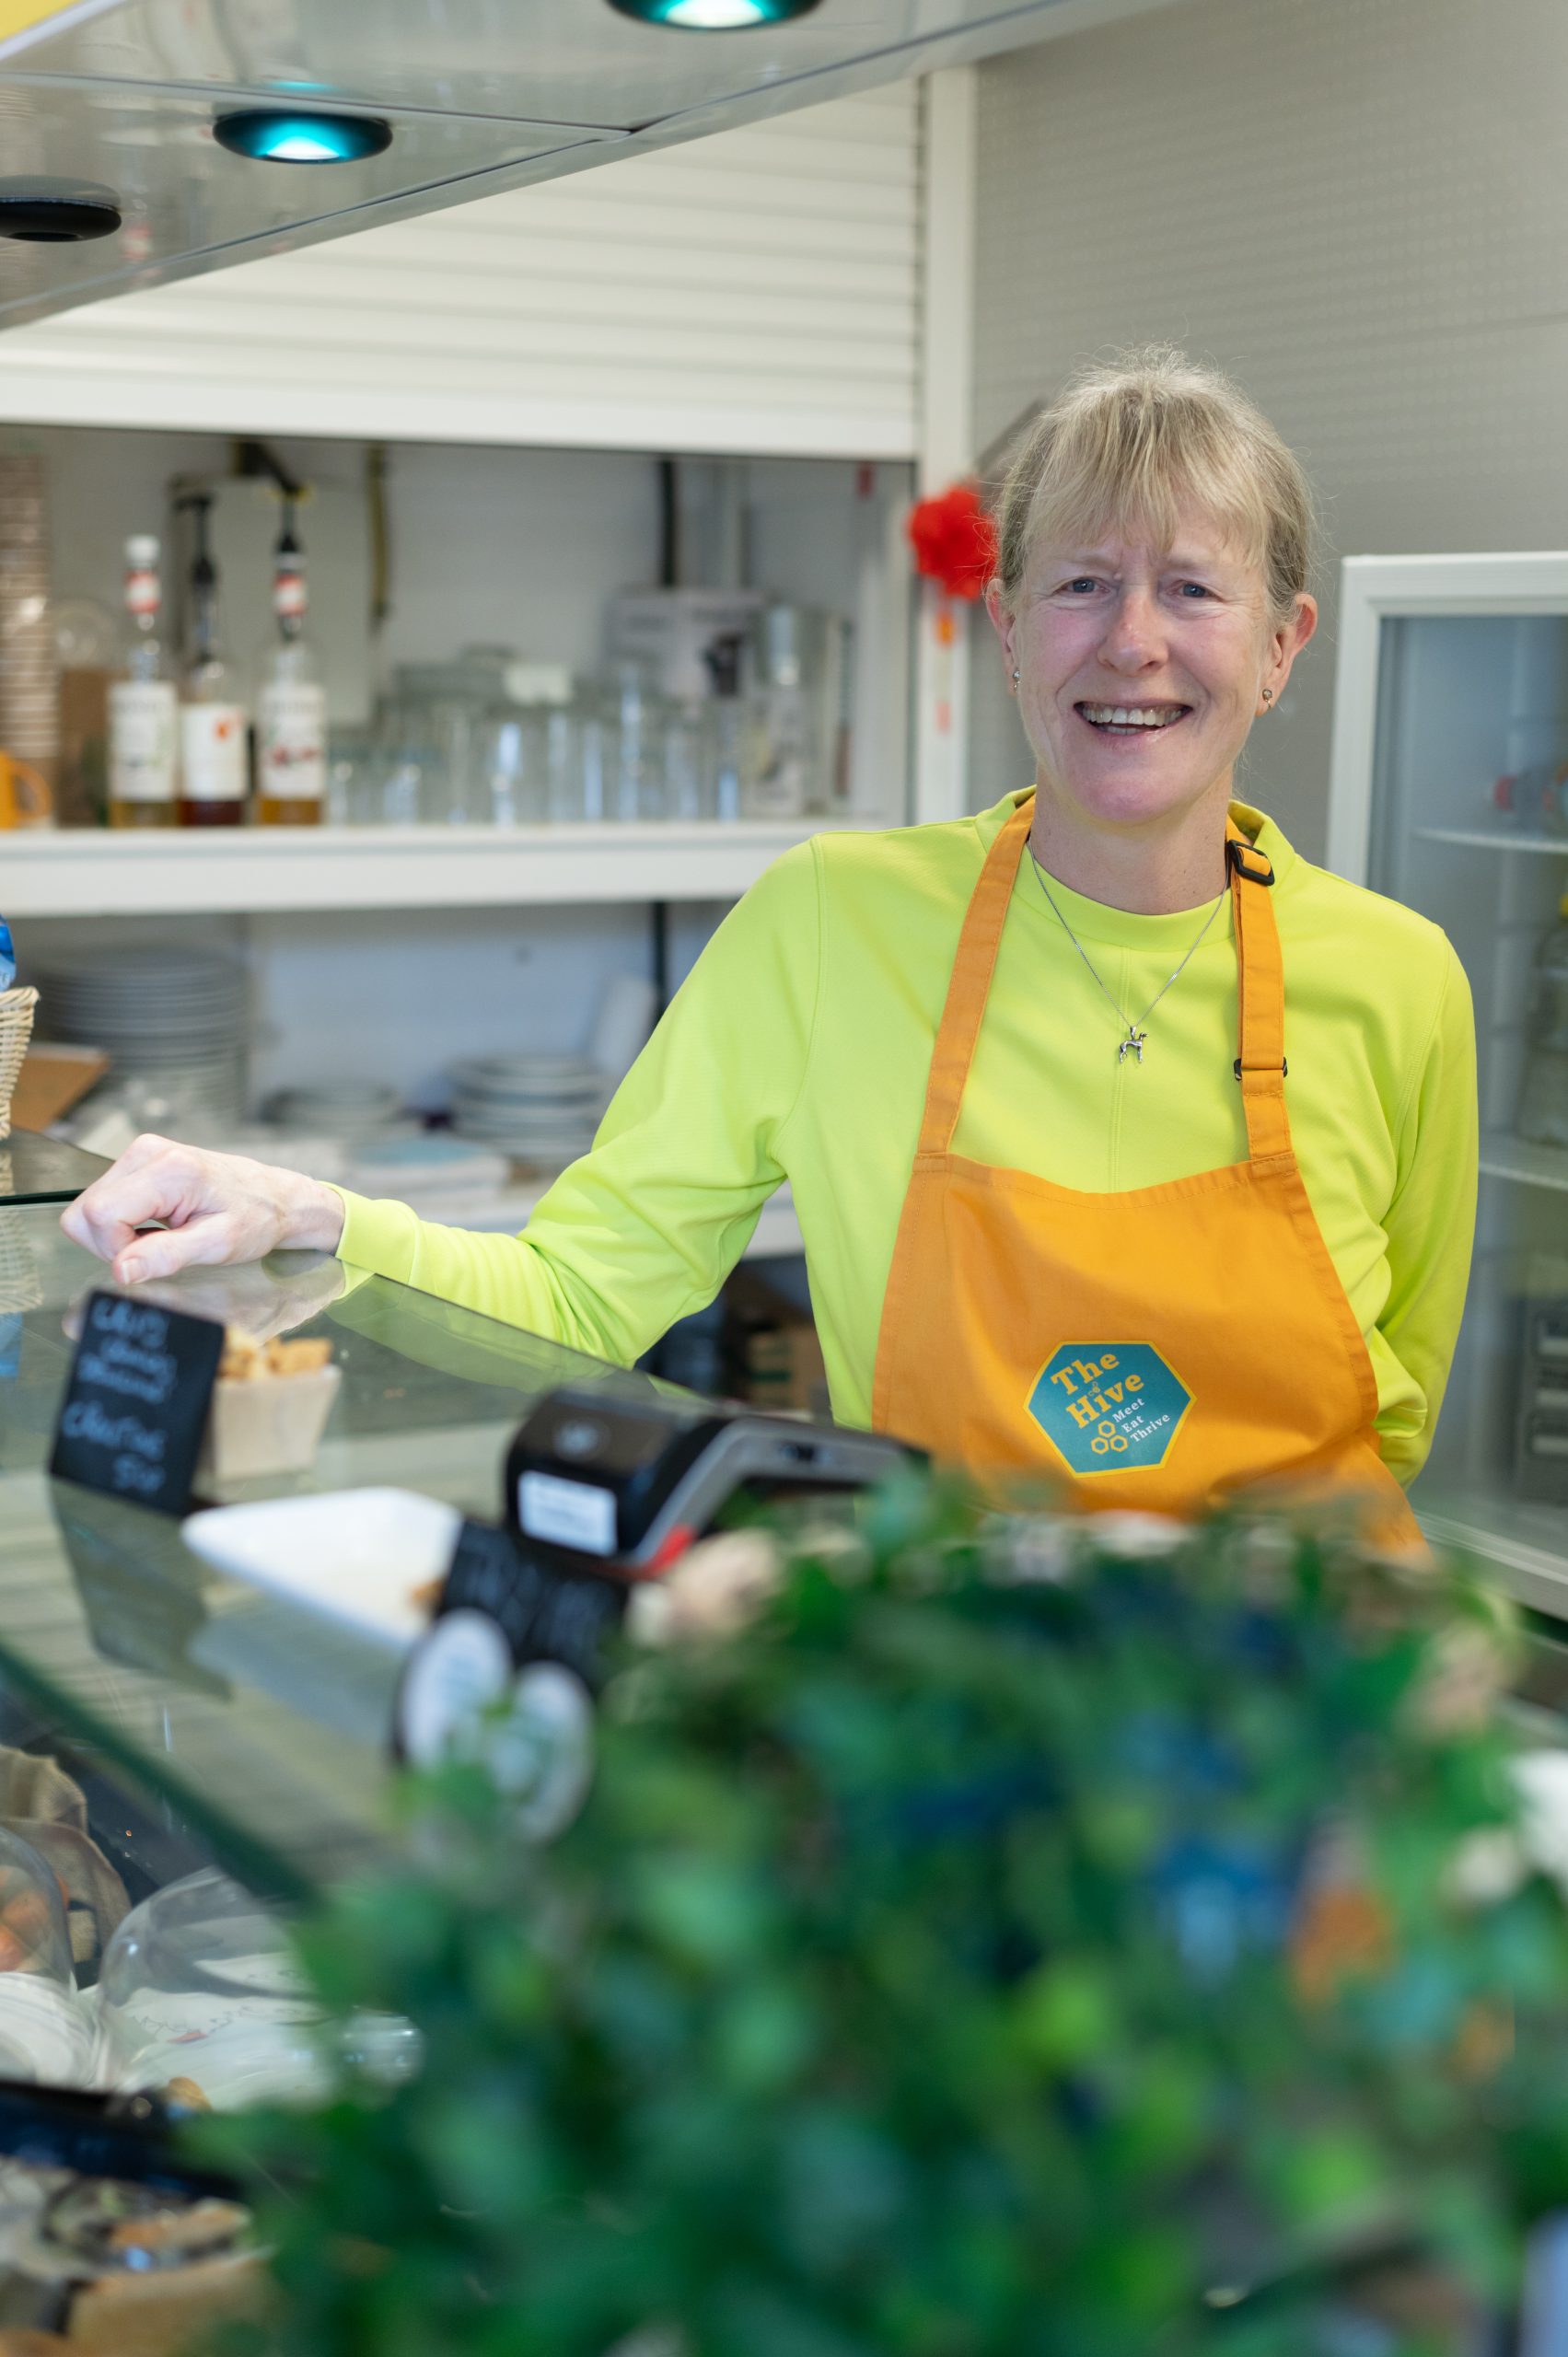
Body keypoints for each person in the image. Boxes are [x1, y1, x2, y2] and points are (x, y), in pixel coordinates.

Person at [63, 348, 1477, 1541]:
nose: (1132, 642)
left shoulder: (1399, 982)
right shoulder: (832, 924)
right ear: (1005, 628)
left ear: (1283, 645)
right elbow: (577, 1294)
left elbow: (1394, 1416)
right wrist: (311, 1216)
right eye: (1082, 585)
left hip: (1306, 1708)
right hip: (955, 1704)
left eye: (1193, 589)